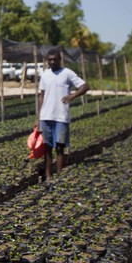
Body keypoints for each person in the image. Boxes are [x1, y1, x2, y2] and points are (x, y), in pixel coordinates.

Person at [35, 49, 89, 179]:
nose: (52, 62)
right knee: (47, 148)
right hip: (46, 116)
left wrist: (72, 95)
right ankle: (48, 176)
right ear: (47, 60)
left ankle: (59, 175)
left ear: (60, 59)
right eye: (50, 59)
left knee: (60, 147)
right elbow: (41, 96)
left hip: (61, 116)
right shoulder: (45, 75)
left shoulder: (67, 73)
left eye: (55, 59)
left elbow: (85, 86)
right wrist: (39, 117)